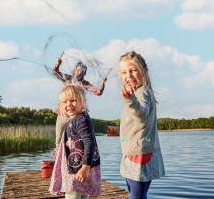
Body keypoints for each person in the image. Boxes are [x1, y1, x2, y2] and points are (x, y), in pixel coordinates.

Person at [118, 51, 165, 199]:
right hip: (143, 151)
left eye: (133, 70)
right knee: (140, 194)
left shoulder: (141, 92)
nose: (128, 76)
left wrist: (129, 99)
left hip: (138, 154)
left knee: (135, 195)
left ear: (143, 71)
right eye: (124, 72)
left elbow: (142, 115)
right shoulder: (143, 91)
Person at [49, 85, 101, 198]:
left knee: (73, 194)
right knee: (81, 194)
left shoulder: (80, 120)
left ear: (82, 103)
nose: (68, 104)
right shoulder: (79, 118)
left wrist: (85, 167)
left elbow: (89, 142)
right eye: (64, 102)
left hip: (78, 169)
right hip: (78, 168)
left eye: (73, 100)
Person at [52, 57, 107, 147]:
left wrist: (103, 83)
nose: (80, 72)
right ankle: (57, 158)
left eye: (82, 71)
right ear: (74, 70)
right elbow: (55, 72)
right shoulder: (68, 78)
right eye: (78, 70)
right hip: (63, 113)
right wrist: (58, 64)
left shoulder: (85, 83)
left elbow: (98, 92)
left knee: (77, 139)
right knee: (58, 140)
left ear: (84, 73)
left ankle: (78, 155)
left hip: (77, 114)